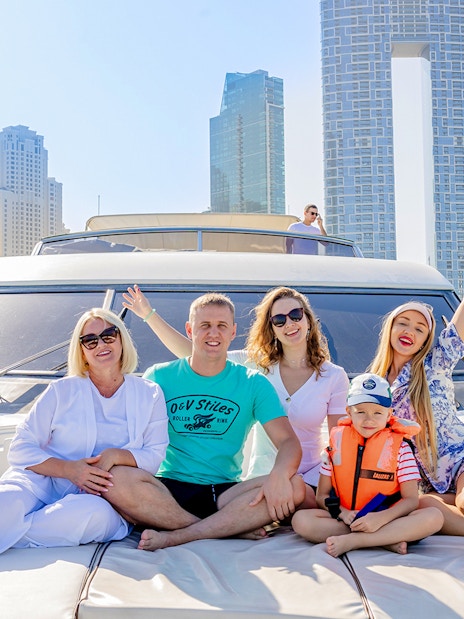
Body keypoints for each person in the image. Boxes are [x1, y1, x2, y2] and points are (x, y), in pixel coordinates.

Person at [105, 292, 304, 551]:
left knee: (295, 485)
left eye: (221, 326)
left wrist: (279, 475)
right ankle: (223, 528)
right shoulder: (159, 376)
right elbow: (130, 432)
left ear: (233, 332)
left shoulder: (253, 383)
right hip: (166, 490)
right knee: (114, 478)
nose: (214, 333)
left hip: (225, 493)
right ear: (189, 330)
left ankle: (179, 534)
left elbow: (289, 442)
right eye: (205, 326)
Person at [122, 285, 349, 509]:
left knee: (298, 496)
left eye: (296, 315)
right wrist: (149, 315)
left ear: (308, 319)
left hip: (310, 478)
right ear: (271, 328)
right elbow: (198, 352)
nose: (289, 323)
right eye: (279, 319)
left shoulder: (334, 376)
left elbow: (338, 442)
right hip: (262, 477)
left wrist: (328, 487)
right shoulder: (256, 366)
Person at [0, 308, 168, 552]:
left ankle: (12, 533)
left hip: (100, 497)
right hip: (41, 482)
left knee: (93, 516)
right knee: (5, 502)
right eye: (90, 340)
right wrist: (69, 470)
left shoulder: (150, 393)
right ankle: (20, 528)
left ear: (121, 339)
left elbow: (153, 457)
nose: (101, 344)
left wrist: (116, 455)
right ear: (82, 351)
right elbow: (19, 449)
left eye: (109, 335)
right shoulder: (61, 391)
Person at [291, 373, 444, 557]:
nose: (368, 419)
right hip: (348, 519)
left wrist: (381, 518)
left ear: (389, 414)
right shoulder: (335, 446)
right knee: (301, 520)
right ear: (348, 412)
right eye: (360, 411)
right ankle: (385, 541)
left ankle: (357, 541)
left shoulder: (401, 449)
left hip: (388, 519)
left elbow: (411, 500)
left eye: (377, 412)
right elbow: (321, 496)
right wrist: (343, 513)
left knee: (434, 517)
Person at [368, 299, 464, 535]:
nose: (410, 331)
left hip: (460, 462)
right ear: (390, 328)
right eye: (403, 323)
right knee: (425, 505)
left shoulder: (436, 365)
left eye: (419, 328)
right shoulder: (371, 386)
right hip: (425, 486)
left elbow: (458, 326)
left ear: (425, 341)